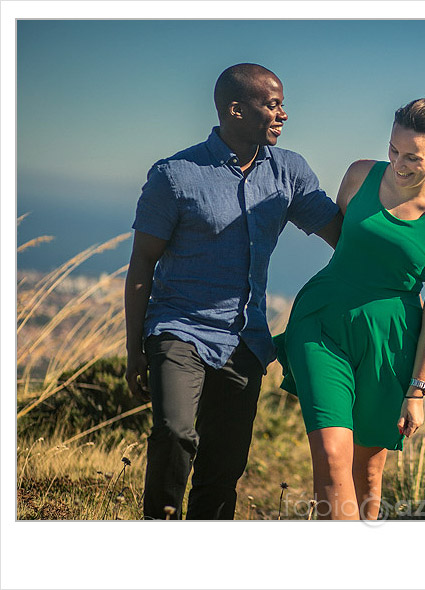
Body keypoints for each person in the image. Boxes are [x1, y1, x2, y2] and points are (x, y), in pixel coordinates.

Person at [124, 63, 342, 520]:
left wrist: (407, 204)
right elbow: (143, 260)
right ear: (236, 109)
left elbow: (341, 234)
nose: (283, 114)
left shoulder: (290, 172)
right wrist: (134, 349)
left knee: (223, 468)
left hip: (245, 339)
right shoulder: (175, 175)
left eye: (282, 104)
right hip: (178, 328)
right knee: (175, 432)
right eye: (273, 104)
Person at [275, 98, 425, 520]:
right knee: (330, 455)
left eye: (412, 157)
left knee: (368, 471)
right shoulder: (360, 174)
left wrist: (417, 390)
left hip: (389, 341)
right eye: (393, 150)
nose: (399, 163)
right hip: (322, 320)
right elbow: (349, 241)